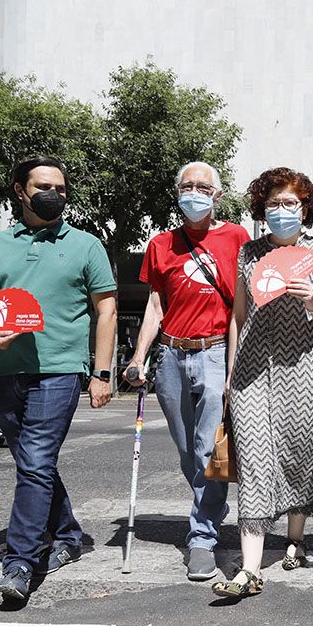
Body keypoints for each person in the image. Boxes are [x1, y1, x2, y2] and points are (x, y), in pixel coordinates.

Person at [0, 155, 118, 601]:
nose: (54, 195)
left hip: (60, 370)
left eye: (61, 189)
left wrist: (101, 372)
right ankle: (67, 535)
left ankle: (20, 563)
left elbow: (106, 310)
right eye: (44, 186)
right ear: (20, 191)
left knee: (36, 460)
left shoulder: (86, 246)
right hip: (3, 372)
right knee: (33, 462)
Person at [211, 168, 313, 600]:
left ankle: (296, 537)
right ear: (262, 210)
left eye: (290, 203)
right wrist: (231, 372)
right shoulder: (249, 254)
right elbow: (237, 318)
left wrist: (312, 303)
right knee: (254, 463)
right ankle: (250, 568)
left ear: (305, 208)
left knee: (298, 454)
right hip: (253, 370)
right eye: (273, 204)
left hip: (304, 369)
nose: (282, 210)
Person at [125, 162, 250, 581]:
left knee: (207, 449)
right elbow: (155, 305)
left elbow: (241, 308)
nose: (194, 192)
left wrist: (235, 366)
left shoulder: (236, 238)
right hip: (171, 356)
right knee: (186, 452)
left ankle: (202, 537)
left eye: (203, 186)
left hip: (215, 351)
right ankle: (209, 511)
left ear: (217, 195)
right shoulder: (161, 244)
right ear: (177, 192)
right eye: (187, 185)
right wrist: (139, 356)